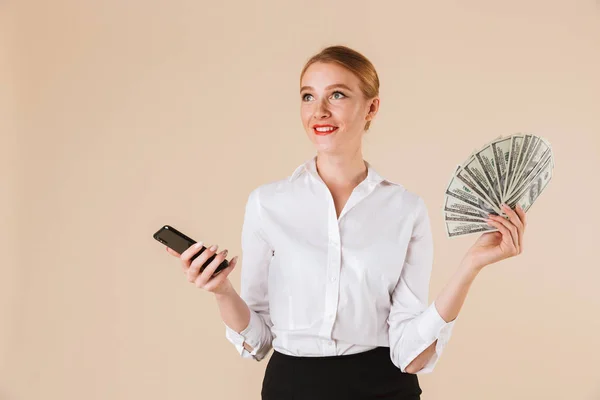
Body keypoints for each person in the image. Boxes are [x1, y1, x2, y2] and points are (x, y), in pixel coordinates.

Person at [166, 45, 528, 400]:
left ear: (371, 108)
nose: (319, 111)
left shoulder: (405, 209)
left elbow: (410, 354)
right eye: (308, 97)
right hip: (291, 388)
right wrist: (222, 291)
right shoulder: (267, 204)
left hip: (383, 387)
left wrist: (471, 265)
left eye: (336, 95)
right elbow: (259, 341)